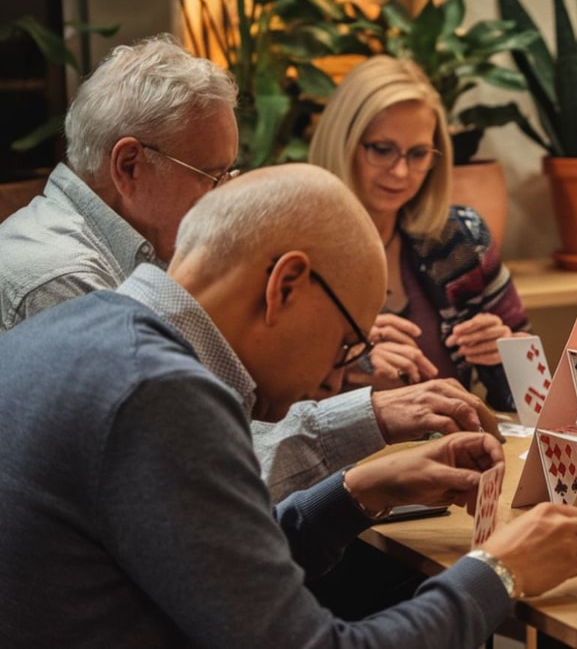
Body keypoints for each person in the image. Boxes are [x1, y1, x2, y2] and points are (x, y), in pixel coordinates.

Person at [0, 163, 577, 647]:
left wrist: (358, 490)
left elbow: (215, 571)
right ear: (285, 284)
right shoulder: (159, 392)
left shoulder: (81, 328)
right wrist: (499, 572)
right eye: (345, 345)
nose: (331, 379)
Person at [0, 34, 485, 501]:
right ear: (129, 166)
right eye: (212, 175)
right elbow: (194, 473)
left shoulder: (122, 250)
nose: (225, 195)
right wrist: (367, 420)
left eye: (229, 175)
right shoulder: (62, 280)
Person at [309, 55, 530, 411]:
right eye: (382, 150)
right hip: (343, 465)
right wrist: (344, 366)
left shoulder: (462, 240)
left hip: (455, 455)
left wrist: (507, 354)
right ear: (343, 140)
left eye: (418, 154)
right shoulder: (293, 248)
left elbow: (532, 397)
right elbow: (262, 411)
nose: (400, 172)